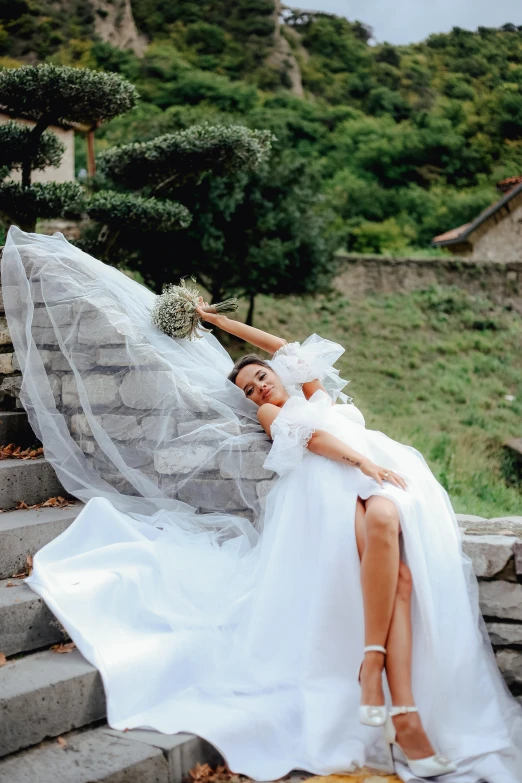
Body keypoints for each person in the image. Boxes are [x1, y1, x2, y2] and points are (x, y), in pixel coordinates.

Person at [3, 227, 522, 783]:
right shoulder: (274, 417)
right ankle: (393, 698)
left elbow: (285, 347)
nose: (258, 390)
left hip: (370, 472)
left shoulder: (310, 389)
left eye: (260, 379)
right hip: (329, 485)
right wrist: (362, 463)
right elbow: (315, 442)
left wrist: (220, 324)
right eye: (249, 390)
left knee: (398, 562)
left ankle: (384, 681)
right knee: (391, 549)